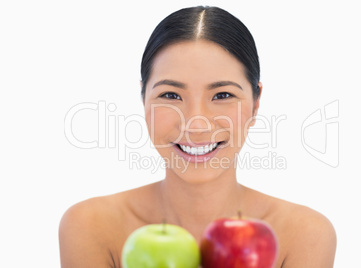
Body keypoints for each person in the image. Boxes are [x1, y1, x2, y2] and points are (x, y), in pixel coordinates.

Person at [59, 6, 337, 268]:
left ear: (255, 103)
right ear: (143, 99)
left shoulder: (304, 233)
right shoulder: (91, 225)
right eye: (170, 95)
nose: (196, 124)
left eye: (223, 95)